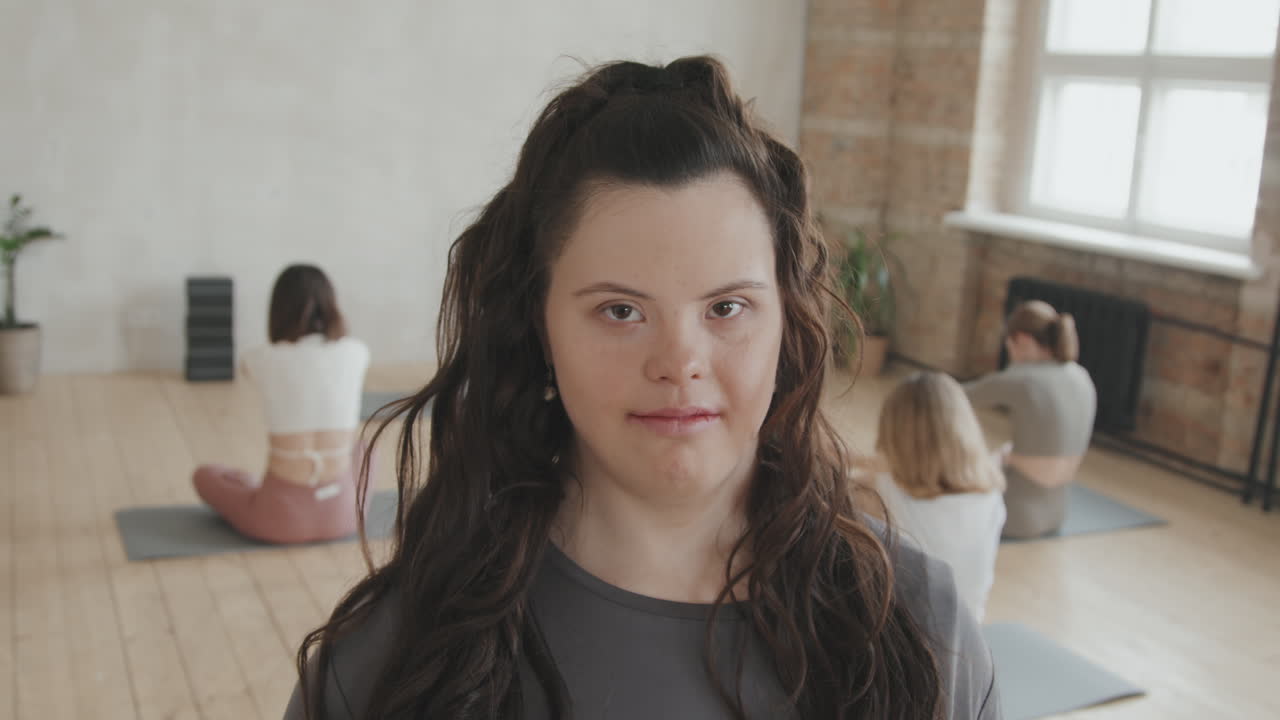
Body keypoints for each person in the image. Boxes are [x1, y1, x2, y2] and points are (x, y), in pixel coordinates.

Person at [286, 56, 1000, 719]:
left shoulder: (919, 628)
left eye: (727, 308)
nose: (679, 361)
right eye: (620, 311)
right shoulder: (395, 664)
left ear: (788, 321)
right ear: (539, 328)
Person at [192, 264, 371, 544]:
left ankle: (252, 487)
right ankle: (261, 488)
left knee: (205, 476)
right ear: (331, 305)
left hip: (279, 518)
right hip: (344, 515)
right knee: (366, 448)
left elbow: (246, 368)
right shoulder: (358, 352)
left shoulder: (260, 358)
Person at [869, 372, 1006, 622]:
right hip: (968, 634)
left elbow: (876, 470)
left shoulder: (883, 492)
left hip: (907, 640)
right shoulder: (991, 495)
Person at [965, 300, 1097, 539]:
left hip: (1016, 516)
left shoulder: (1023, 379)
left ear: (1022, 339)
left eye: (1010, 347)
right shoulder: (1081, 375)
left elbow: (947, 396)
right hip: (1057, 513)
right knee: (1004, 453)